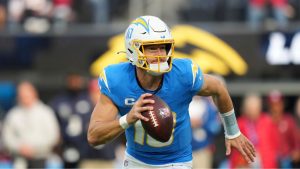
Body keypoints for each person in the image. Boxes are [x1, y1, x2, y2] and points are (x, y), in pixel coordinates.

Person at [87, 15, 256, 169]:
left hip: (177, 161)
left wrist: (233, 131)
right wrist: (127, 119)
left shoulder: (182, 74)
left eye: (164, 47)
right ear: (133, 50)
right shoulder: (117, 80)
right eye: (152, 48)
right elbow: (94, 136)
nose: (161, 55)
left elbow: (218, 88)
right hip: (135, 161)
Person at [2, 81, 60, 168]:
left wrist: (34, 149)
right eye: (21, 95)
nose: (24, 98)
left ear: (34, 94)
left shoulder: (46, 112)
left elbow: (53, 136)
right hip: (19, 159)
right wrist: (20, 148)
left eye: (27, 95)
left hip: (41, 158)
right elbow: (7, 138)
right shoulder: (13, 114)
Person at [229, 93, 279, 168]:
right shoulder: (239, 124)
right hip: (245, 163)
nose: (252, 111)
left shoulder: (267, 122)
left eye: (255, 108)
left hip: (266, 163)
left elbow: (274, 145)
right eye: (250, 108)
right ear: (245, 109)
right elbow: (235, 151)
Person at [266, 90, 300, 168]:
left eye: (278, 104)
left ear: (282, 104)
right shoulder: (265, 121)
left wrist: (292, 155)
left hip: (287, 162)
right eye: (273, 105)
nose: (275, 108)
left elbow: (297, 146)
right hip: (269, 161)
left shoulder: (288, 121)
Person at [189, 96, 221, 168]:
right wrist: (188, 123)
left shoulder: (208, 106)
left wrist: (202, 123)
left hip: (203, 149)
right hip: (183, 150)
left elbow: (215, 129)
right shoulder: (183, 102)